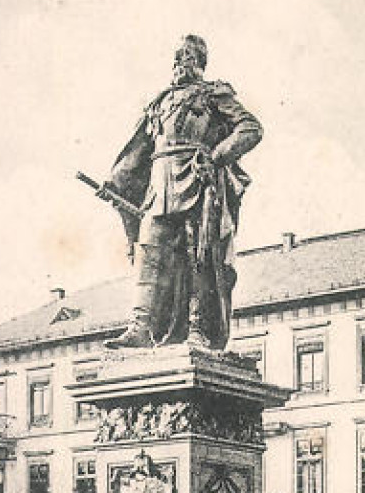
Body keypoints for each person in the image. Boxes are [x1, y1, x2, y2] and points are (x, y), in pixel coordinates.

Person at [103, 34, 263, 351]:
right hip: (159, 185)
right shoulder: (159, 103)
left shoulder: (214, 95)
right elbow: (141, 148)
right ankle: (141, 327)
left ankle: (198, 327)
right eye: (177, 57)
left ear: (201, 62)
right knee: (150, 252)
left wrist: (216, 156)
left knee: (199, 255)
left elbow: (251, 129)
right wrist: (118, 180)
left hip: (199, 180)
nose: (181, 62)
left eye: (189, 56)